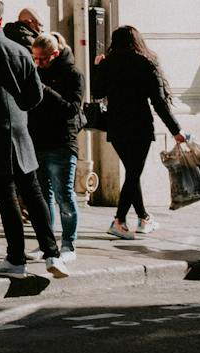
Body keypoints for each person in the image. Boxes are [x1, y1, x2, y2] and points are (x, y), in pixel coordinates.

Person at [0, 0, 65, 277]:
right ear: (1, 21)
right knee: (33, 193)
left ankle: (16, 259)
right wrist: (19, 112)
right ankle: (53, 255)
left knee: (7, 198)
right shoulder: (20, 51)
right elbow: (35, 96)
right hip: (20, 133)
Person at [94, 25, 187, 239]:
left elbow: (98, 93)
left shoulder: (108, 64)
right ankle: (119, 221)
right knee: (133, 173)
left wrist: (99, 67)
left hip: (116, 126)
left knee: (132, 173)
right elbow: (159, 103)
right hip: (140, 126)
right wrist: (176, 130)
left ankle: (144, 218)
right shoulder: (145, 63)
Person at [29, 32, 83, 262]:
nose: (38, 63)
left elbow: (72, 109)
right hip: (38, 142)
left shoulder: (72, 74)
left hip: (61, 143)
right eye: (35, 58)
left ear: (55, 53)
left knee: (64, 195)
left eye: (42, 59)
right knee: (42, 197)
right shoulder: (36, 73)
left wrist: (45, 91)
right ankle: (46, 243)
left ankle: (69, 244)